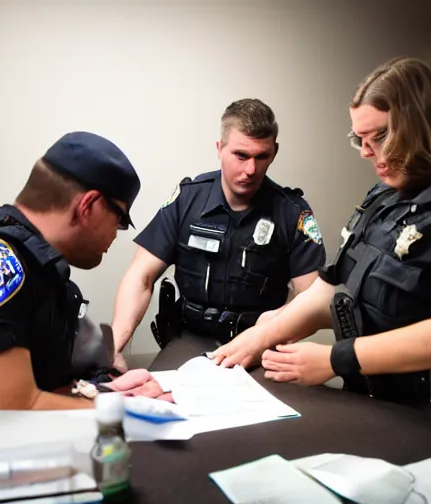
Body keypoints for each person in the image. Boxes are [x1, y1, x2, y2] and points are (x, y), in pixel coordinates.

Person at [0, 131, 140, 485]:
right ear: (88, 205)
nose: (117, 234)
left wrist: (105, 392)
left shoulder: (42, 269)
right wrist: (121, 413)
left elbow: (40, 381)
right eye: (120, 219)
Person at [212, 57, 431, 406]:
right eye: (359, 138)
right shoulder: (383, 196)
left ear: (419, 125)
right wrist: (263, 335)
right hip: (374, 398)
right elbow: (328, 289)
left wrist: (335, 359)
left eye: (380, 135)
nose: (365, 152)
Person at [112, 99, 326, 370]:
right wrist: (115, 347)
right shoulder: (188, 200)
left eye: (262, 157)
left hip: (262, 344)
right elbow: (140, 276)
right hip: (191, 338)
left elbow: (311, 301)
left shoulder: (292, 212)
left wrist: (263, 337)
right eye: (241, 155)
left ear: (275, 152)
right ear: (219, 148)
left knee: (276, 410)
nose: (251, 170)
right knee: (164, 399)